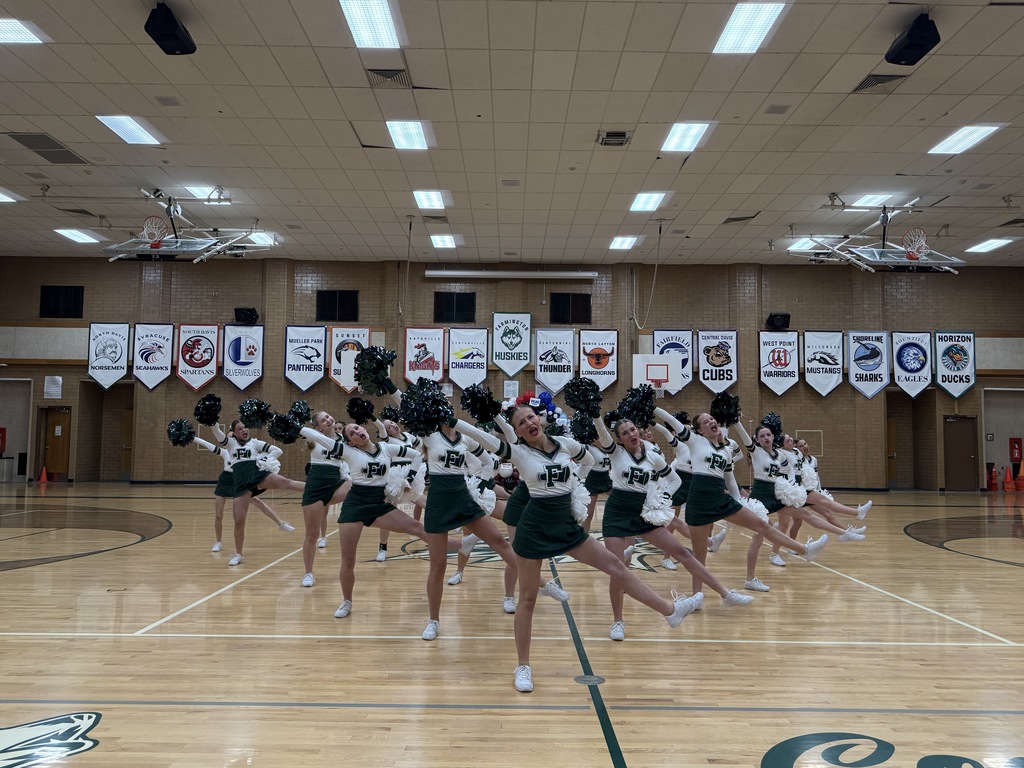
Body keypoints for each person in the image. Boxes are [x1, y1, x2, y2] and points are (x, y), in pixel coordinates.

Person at [454, 406, 703, 693]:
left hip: (566, 525)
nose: (528, 423)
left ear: (540, 419)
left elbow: (593, 460)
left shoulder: (565, 445)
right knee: (528, 598)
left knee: (615, 566)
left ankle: (669, 611)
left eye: (531, 417)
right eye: (521, 423)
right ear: (518, 431)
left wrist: (576, 488)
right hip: (534, 528)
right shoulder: (519, 453)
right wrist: (452, 421)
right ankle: (523, 665)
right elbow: (479, 436)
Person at [594, 414, 753, 641]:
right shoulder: (616, 453)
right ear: (619, 439)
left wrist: (660, 500)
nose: (632, 435)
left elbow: (674, 480)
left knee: (681, 552)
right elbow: (601, 432)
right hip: (616, 515)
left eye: (633, 430)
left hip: (643, 513)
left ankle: (725, 593)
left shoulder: (652, 456)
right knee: (617, 568)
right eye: (626, 433)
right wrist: (596, 415)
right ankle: (618, 621)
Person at [652, 408, 829, 597]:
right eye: (705, 421)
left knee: (762, 525)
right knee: (700, 554)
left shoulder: (726, 451)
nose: (711, 421)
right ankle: (697, 597)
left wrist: (739, 501)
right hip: (699, 502)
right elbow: (672, 421)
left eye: (712, 418)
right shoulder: (695, 442)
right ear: (700, 431)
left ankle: (805, 550)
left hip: (721, 498)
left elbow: (729, 480)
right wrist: (652, 409)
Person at [303, 421, 463, 621]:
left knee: (417, 527)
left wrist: (410, 477)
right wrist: (296, 427)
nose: (357, 431)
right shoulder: (348, 451)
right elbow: (320, 438)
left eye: (358, 428)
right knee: (348, 561)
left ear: (365, 430)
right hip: (354, 506)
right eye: (352, 432)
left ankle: (460, 545)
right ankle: (347, 601)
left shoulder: (386, 448)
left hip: (378, 503)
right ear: (350, 442)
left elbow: (416, 455)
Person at [416, 416, 522, 640]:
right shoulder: (429, 436)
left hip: (467, 495)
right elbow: (405, 407)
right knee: (438, 566)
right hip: (439, 500)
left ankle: (538, 584)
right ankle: (434, 619)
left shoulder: (466, 438)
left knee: (499, 540)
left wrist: (484, 482)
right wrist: (390, 388)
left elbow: (490, 462)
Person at [731, 421, 866, 588]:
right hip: (760, 497)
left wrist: (790, 486)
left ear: (773, 436)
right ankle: (750, 580)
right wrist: (736, 422)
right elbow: (744, 436)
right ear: (757, 440)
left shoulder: (779, 455)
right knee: (758, 539)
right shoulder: (756, 451)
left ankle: (843, 533)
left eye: (768, 434)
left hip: (775, 494)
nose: (766, 437)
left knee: (805, 514)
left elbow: (789, 471)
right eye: (762, 436)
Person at [211, 420, 304, 566]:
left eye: (245, 427)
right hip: (242, 485)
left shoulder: (254, 442)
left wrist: (264, 459)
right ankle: (238, 554)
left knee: (285, 482)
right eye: (240, 429)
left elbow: (277, 450)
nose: (243, 430)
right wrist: (213, 423)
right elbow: (218, 434)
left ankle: (316, 488)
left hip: (258, 476)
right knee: (239, 522)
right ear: (234, 433)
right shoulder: (231, 444)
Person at [192, 431, 294, 553]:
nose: (229, 439)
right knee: (219, 514)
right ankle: (218, 541)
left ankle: (280, 523)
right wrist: (193, 438)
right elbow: (207, 444)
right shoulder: (225, 452)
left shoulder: (244, 451)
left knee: (257, 501)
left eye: (230, 436)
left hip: (239, 481)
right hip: (225, 481)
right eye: (227, 437)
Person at [652, 413, 726, 569]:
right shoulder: (680, 445)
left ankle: (709, 541)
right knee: (672, 521)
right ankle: (666, 557)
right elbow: (666, 432)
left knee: (705, 518)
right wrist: (653, 423)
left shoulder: (703, 446)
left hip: (696, 481)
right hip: (680, 482)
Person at [297, 411, 353, 587]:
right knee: (311, 535)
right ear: (318, 426)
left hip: (335, 483)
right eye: (323, 420)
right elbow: (297, 429)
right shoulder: (313, 438)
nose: (328, 420)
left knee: (357, 485)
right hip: (315, 487)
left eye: (329, 416)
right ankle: (308, 573)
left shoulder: (344, 439)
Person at [373, 415, 426, 561]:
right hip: (394, 476)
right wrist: (372, 417)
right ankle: (382, 548)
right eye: (389, 426)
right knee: (387, 513)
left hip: (411, 474)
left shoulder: (408, 436)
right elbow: (380, 427)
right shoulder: (387, 440)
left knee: (426, 503)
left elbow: (422, 444)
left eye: (393, 423)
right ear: (387, 432)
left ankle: (439, 529)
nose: (393, 426)